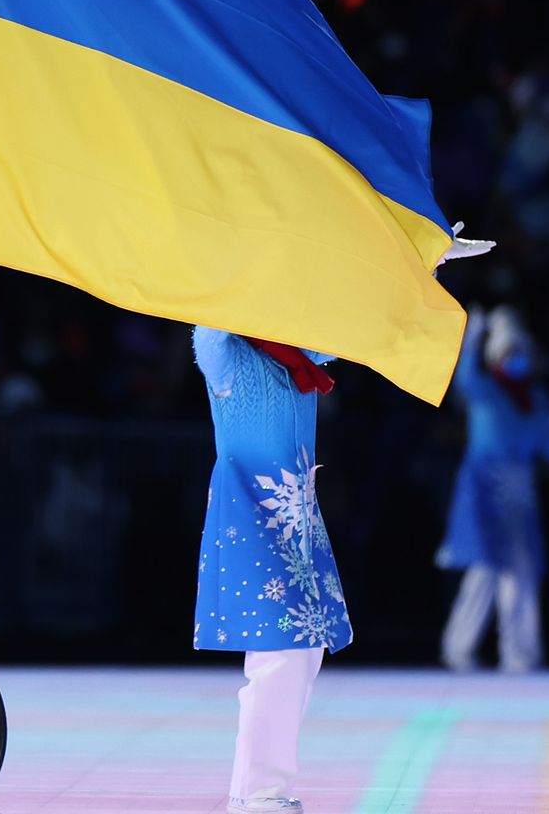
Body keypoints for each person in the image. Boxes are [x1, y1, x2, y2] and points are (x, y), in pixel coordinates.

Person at [192, 226, 492, 814]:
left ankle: (257, 789)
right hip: (251, 512)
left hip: (295, 517)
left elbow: (372, 318)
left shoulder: (299, 356)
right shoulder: (223, 354)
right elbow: (209, 305)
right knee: (281, 652)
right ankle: (256, 794)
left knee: (302, 651)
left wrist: (422, 258)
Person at [436, 305, 549, 673]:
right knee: (483, 570)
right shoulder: (484, 390)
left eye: (520, 352)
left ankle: (521, 654)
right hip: (485, 485)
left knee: (522, 571)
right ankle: (458, 649)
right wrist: (472, 337)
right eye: (509, 352)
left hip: (520, 486)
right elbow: (464, 377)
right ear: (496, 357)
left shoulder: (537, 399)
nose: (516, 359)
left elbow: (548, 448)